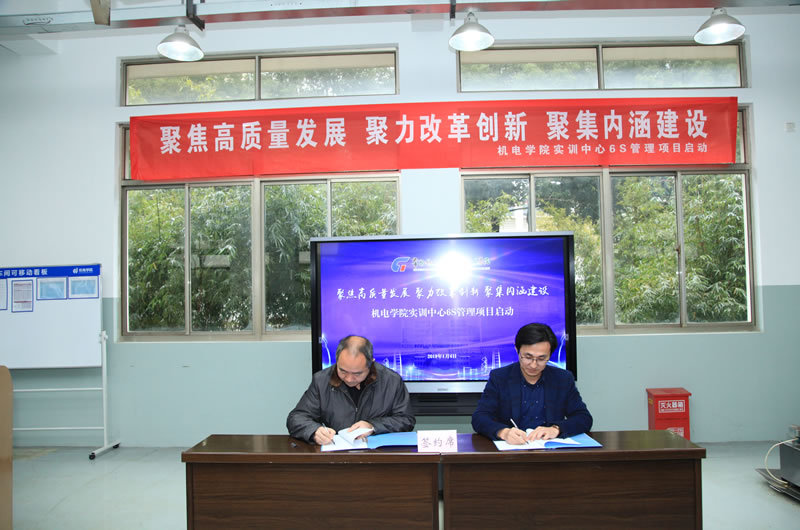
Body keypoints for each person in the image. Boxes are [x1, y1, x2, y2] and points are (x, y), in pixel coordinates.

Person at [471, 322, 592, 444]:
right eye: (528, 357)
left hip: (549, 449)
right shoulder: (500, 377)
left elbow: (583, 417)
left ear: (550, 355)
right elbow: (480, 417)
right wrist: (504, 432)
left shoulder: (563, 379)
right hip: (512, 450)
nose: (534, 365)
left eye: (541, 359)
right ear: (517, 349)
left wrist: (556, 429)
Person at [287, 335, 416, 445]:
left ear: (371, 364)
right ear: (337, 361)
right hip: (337, 456)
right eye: (342, 371)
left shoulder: (391, 381)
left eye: (357, 374)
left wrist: (373, 426)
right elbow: (296, 418)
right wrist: (314, 431)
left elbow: (406, 420)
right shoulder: (322, 381)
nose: (349, 379)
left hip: (377, 456)